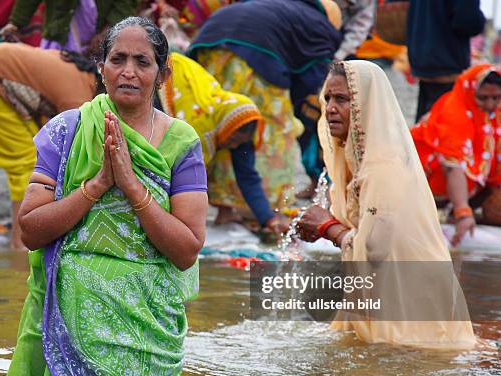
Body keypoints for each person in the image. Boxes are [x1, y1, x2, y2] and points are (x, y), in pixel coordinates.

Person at [4, 17, 207, 376]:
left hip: (148, 322)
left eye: (142, 62)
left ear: (163, 73)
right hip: (70, 315)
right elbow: (29, 230)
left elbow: (186, 250)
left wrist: (131, 186)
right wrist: (97, 185)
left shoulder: (182, 142)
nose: (128, 72)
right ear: (101, 66)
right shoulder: (67, 131)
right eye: (118, 59)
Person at [297, 60, 477, 349]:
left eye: (342, 99)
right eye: (327, 98)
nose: (330, 107)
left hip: (412, 310)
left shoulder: (382, 166)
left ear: (367, 107)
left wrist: (328, 227)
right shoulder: (356, 161)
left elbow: (376, 250)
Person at [188, 0, 342, 223]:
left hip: (209, 47)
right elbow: (313, 80)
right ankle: (269, 210)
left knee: (225, 123)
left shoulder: (285, 9)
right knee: (266, 132)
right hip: (254, 57)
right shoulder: (320, 26)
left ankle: (226, 209)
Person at [0, 43, 98, 249]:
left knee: (31, 159)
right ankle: (21, 246)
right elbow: (76, 155)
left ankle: (19, 237)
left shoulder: (79, 72)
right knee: (27, 162)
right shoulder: (80, 96)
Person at [157, 52, 290, 234]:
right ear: (229, 129)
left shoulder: (237, 124)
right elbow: (184, 177)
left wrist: (269, 219)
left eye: (239, 143)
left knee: (224, 156)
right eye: (234, 140)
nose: (234, 146)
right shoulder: (197, 128)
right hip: (168, 78)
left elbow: (247, 176)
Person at [411, 64, 500, 246]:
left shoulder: (494, 113)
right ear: (470, 91)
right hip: (425, 185)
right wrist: (463, 214)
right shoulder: (454, 110)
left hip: (468, 188)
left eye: (496, 98)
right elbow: (452, 166)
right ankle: (453, 211)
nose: (490, 104)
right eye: (483, 98)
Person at [407, 0, 485, 122]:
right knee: (444, 128)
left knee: (424, 130)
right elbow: (467, 20)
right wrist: (480, 20)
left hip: (422, 57)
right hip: (447, 62)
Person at [1, 0, 139, 53]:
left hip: (94, 45)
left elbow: (125, 4)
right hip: (57, 36)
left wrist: (107, 33)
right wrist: (15, 23)